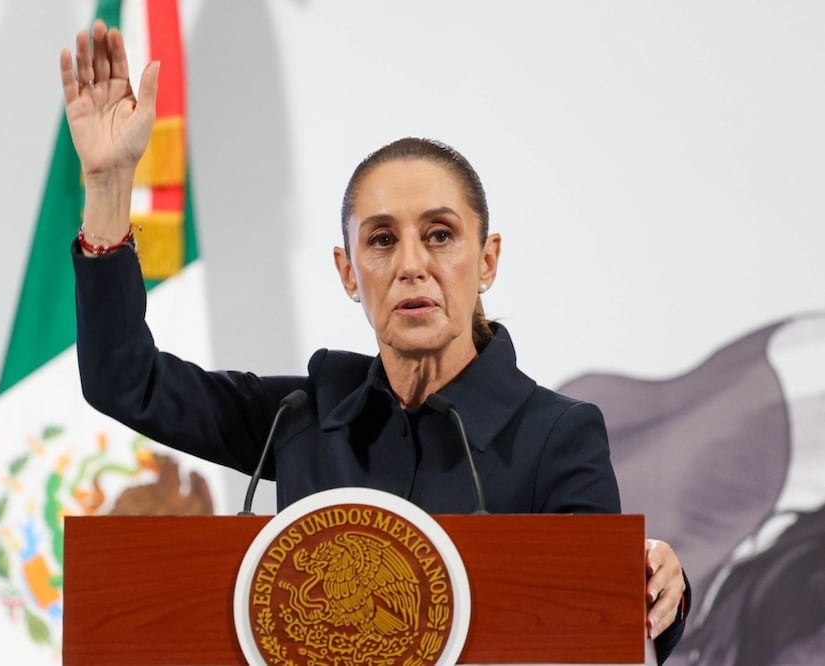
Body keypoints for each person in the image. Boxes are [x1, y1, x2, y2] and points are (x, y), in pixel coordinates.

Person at [60, 19, 689, 662]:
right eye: (382, 240)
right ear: (348, 272)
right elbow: (125, 382)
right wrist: (109, 189)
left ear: (489, 260)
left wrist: (655, 592)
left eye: (440, 234)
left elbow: (597, 631)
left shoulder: (557, 436)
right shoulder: (302, 417)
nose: (412, 264)